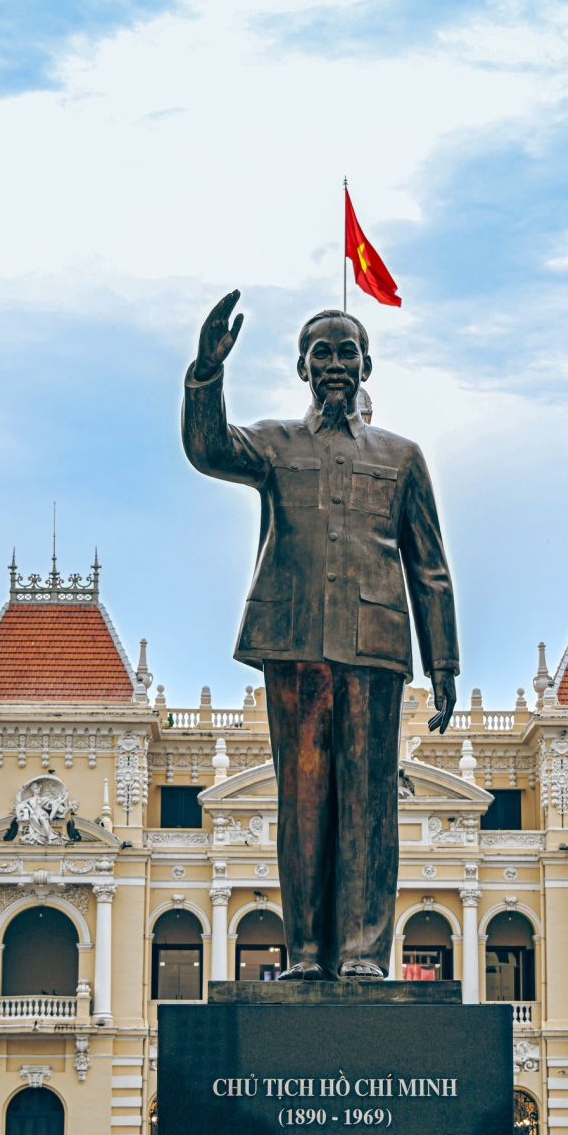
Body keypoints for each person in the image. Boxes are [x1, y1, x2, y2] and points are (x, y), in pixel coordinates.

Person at [183, 295, 459, 979]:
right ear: (302, 366)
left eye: (346, 351)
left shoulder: (402, 456)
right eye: (322, 352)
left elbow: (430, 565)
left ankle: (364, 955)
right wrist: (206, 375)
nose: (335, 364)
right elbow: (209, 447)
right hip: (295, 639)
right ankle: (305, 952)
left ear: (367, 363)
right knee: (302, 799)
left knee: (370, 804)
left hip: (375, 645)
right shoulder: (276, 445)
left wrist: (444, 662)